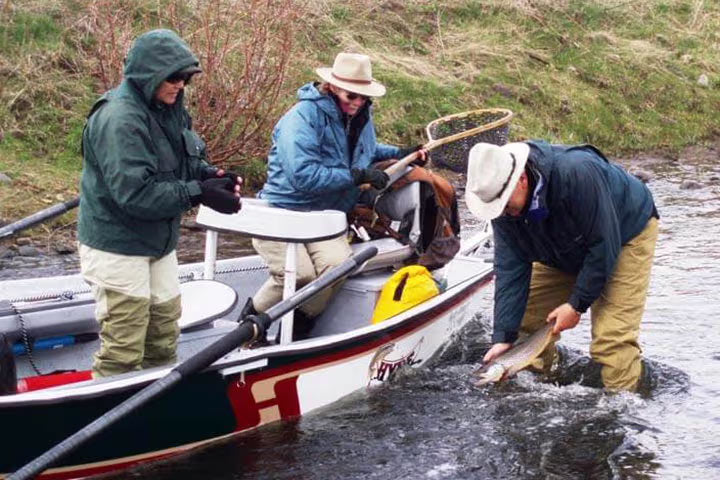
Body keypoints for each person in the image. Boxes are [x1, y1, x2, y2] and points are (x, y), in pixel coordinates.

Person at [78, 29, 242, 378]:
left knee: (164, 335)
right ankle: (108, 419)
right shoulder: (119, 119)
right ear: (147, 75)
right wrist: (199, 192)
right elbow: (136, 195)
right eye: (173, 77)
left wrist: (213, 178)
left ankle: (154, 410)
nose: (180, 84)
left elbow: (185, 162)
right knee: (123, 347)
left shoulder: (170, 109)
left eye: (185, 77)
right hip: (117, 246)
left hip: (157, 244)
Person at [242, 52, 426, 339]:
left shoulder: (359, 116)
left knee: (338, 269)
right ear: (331, 87)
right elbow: (303, 176)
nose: (358, 102)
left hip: (326, 218)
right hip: (282, 213)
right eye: (352, 95)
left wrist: (402, 154)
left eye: (364, 97)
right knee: (300, 275)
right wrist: (358, 176)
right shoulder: (301, 118)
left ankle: (293, 337)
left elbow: (366, 150)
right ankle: (248, 326)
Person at [465, 141, 658, 391]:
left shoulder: (577, 173)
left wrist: (576, 305)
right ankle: (538, 386)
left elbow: (603, 246)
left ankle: (622, 407)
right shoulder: (503, 209)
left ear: (522, 179)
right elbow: (510, 268)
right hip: (561, 242)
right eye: (497, 208)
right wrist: (503, 338)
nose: (504, 213)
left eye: (506, 205)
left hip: (624, 235)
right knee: (525, 324)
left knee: (610, 341)